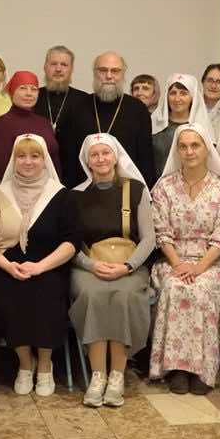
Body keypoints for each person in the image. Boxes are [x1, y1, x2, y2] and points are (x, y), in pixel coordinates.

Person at [0, 135, 79, 396]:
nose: (28, 161)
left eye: (35, 156)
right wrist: (6, 265)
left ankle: (45, 364)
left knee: (47, 292)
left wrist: (40, 267)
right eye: (21, 156)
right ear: (14, 159)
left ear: (45, 160)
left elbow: (71, 242)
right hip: (7, 265)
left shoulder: (61, 195)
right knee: (6, 293)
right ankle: (25, 363)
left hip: (49, 265)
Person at [148, 123, 220, 395]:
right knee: (175, 287)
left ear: (207, 149)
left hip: (211, 262)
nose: (189, 151)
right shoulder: (165, 187)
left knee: (200, 289)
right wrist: (178, 264)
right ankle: (176, 368)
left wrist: (199, 267)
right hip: (172, 259)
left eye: (195, 145)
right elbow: (161, 231)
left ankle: (202, 370)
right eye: (183, 146)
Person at [70, 133, 156, 408]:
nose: (101, 159)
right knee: (93, 295)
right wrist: (91, 265)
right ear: (87, 161)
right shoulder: (75, 196)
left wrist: (127, 266)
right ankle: (98, 375)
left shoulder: (136, 190)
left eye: (105, 153)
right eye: (94, 155)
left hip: (129, 264)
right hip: (89, 265)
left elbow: (149, 239)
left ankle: (117, 375)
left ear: (116, 156)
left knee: (123, 296)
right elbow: (70, 243)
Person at [57, 51, 156, 188]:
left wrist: (143, 192)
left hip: (126, 191)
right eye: (103, 70)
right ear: (94, 73)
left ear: (123, 74)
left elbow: (145, 159)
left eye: (115, 71)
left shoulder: (138, 109)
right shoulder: (76, 108)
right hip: (84, 191)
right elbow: (67, 159)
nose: (109, 76)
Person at [0, 70, 62, 179]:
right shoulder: (4, 123)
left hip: (50, 186)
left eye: (34, 89)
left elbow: (54, 161)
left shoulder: (45, 123)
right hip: (19, 187)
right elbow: (4, 168)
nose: (29, 93)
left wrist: (56, 186)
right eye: (23, 88)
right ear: (12, 92)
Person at [150, 73, 212, 179]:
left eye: (183, 93)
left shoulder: (201, 127)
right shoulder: (154, 123)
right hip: (157, 184)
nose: (177, 98)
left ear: (192, 97)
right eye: (173, 93)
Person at [35, 45, 85, 131]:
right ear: (45, 67)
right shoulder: (33, 97)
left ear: (71, 69)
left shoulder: (84, 100)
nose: (58, 69)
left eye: (64, 65)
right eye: (53, 64)